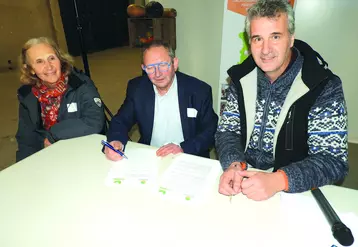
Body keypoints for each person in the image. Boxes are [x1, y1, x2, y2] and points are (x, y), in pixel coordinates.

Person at [216, 0, 348, 201]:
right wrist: (234, 164)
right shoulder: (239, 78)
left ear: (291, 38)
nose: (266, 50)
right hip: (242, 179)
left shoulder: (323, 85)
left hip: (294, 188)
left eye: (275, 37)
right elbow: (228, 131)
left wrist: (278, 180)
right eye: (257, 39)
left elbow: (333, 160)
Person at [105, 41, 218, 161]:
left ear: (174, 63)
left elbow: (211, 130)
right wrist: (116, 141)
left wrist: (183, 148)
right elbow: (121, 120)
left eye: (163, 65)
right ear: (143, 68)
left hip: (187, 156)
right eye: (150, 67)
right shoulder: (137, 88)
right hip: (151, 155)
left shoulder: (198, 90)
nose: (157, 73)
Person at [16, 37, 105, 161]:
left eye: (52, 58)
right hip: (49, 155)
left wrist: (53, 134)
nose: (49, 66)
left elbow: (94, 121)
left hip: (82, 152)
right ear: (31, 69)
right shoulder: (27, 95)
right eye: (39, 61)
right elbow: (26, 139)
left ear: (60, 60)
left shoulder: (80, 84)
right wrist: (23, 167)